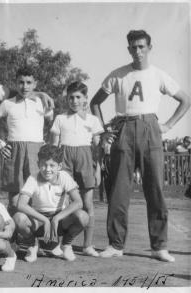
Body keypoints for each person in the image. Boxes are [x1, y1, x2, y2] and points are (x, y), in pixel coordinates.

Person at [90, 30, 190, 262]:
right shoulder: (118, 75)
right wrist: (104, 130)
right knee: (119, 190)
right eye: (133, 47)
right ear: (128, 49)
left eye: (142, 47)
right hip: (123, 128)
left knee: (155, 188)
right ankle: (116, 244)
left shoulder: (158, 75)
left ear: (149, 48)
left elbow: (186, 100)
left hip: (150, 128)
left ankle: (159, 246)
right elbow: (95, 102)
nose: (138, 51)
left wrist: (168, 125)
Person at [50, 81, 104, 257]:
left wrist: (97, 170)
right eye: (71, 97)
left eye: (78, 97)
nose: (74, 101)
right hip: (64, 159)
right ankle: (62, 244)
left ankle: (88, 245)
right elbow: (53, 146)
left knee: (88, 204)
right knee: (63, 202)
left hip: (86, 159)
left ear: (85, 99)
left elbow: (98, 148)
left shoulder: (92, 120)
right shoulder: (60, 118)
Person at [13, 144, 89, 262]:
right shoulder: (33, 178)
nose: (47, 169)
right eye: (44, 165)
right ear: (38, 164)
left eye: (52, 165)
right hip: (38, 220)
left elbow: (78, 202)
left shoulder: (64, 176)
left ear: (59, 166)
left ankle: (66, 244)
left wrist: (57, 218)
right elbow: (21, 205)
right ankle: (33, 245)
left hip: (59, 220)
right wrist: (44, 219)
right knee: (18, 218)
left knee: (83, 216)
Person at [0, 66, 53, 213]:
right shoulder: (7, 103)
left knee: (36, 192)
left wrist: (46, 145)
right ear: (16, 83)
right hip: (14, 150)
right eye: (21, 82)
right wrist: (0, 144)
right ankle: (14, 233)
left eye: (29, 82)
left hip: (36, 150)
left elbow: (51, 125)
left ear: (35, 84)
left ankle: (32, 233)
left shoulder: (42, 103)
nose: (25, 86)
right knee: (15, 197)